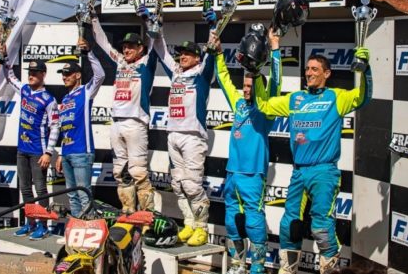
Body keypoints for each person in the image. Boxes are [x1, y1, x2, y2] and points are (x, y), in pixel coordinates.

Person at [254, 49, 372, 274]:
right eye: (307, 69)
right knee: (289, 225)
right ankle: (287, 270)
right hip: (299, 172)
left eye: (315, 69)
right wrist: (256, 74)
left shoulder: (337, 97)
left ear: (327, 73)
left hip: (324, 171)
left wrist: (366, 70)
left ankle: (329, 271)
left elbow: (363, 97)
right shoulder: (295, 98)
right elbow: (264, 105)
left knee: (321, 227)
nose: (308, 73)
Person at [211, 29, 281, 274]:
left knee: (253, 221)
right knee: (232, 221)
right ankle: (238, 265)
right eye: (245, 85)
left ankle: (257, 267)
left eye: (250, 85)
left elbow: (276, 83)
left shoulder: (266, 109)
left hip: (253, 173)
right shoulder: (239, 103)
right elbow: (223, 79)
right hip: (232, 172)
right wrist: (219, 54)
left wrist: (275, 50)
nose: (246, 89)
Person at [153, 27, 215, 246]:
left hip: (193, 137)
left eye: (188, 53)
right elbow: (161, 52)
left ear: (197, 58)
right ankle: (189, 224)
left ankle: (202, 228)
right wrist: (156, 29)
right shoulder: (176, 72)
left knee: (192, 186)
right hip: (173, 134)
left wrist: (213, 27)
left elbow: (212, 51)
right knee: (178, 185)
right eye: (181, 53)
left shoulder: (202, 74)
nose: (183, 56)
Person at [91, 15, 158, 212]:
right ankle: (128, 211)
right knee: (120, 172)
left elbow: (155, 43)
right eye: (124, 47)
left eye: (131, 47)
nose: (126, 50)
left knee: (138, 172)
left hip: (135, 123)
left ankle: (147, 215)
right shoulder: (120, 61)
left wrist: (150, 22)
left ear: (140, 49)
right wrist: (93, 19)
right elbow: (103, 42)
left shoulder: (146, 63)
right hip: (116, 123)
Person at [2, 54, 60, 240]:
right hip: (22, 149)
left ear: (43, 74)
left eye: (35, 72)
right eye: (30, 72)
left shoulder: (49, 99)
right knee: (25, 189)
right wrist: (4, 57)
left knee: (40, 189)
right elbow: (10, 77)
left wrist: (48, 152)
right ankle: (30, 222)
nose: (31, 75)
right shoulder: (25, 90)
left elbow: (55, 126)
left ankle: (43, 225)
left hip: (38, 151)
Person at [54, 39, 105, 218]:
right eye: (63, 74)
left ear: (77, 75)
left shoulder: (86, 91)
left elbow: (100, 75)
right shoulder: (65, 99)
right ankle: (76, 227)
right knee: (72, 197)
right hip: (67, 153)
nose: (64, 77)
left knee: (84, 196)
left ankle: (88, 227)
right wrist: (61, 154)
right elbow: (65, 129)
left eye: (68, 74)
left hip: (82, 152)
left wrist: (89, 52)